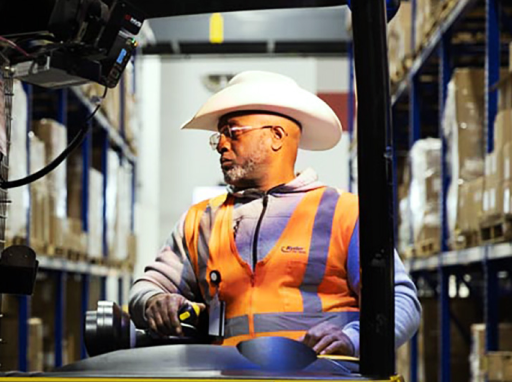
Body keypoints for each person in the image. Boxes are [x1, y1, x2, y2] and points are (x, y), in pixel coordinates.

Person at [129, 71, 420, 356]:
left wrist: (353, 339)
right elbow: (146, 288)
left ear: (276, 137)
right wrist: (154, 301)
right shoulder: (201, 220)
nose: (220, 144)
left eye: (232, 132)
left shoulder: (344, 213)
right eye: (218, 136)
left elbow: (401, 301)